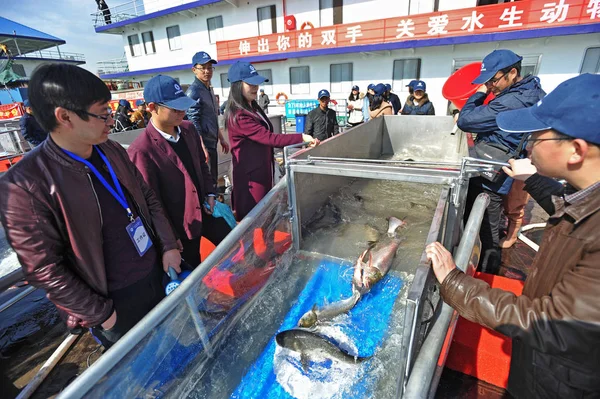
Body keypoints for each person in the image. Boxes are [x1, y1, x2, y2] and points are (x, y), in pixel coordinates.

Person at [426, 73, 600, 399]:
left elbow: (548, 323)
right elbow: (577, 207)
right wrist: (535, 180)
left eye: (538, 136)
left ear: (576, 150)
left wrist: (453, 281)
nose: (530, 143)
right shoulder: (585, 196)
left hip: (558, 383)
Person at [0, 63, 181, 349]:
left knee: (170, 343)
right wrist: (102, 314)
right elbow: (43, 267)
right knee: (139, 367)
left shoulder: (109, 149)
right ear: (65, 117)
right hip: (112, 300)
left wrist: (169, 246)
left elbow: (147, 198)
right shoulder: (24, 185)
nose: (111, 120)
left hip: (155, 271)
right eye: (103, 114)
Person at [128, 75, 232, 267]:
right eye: (175, 108)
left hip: (205, 210)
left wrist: (210, 191)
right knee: (192, 270)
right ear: (152, 108)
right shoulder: (141, 150)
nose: (182, 112)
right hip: (179, 225)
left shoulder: (188, 129)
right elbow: (151, 202)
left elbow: (202, 164)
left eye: (183, 105)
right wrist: (169, 239)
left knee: (232, 242)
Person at [457, 49, 545, 273]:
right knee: (488, 222)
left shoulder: (512, 101)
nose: (490, 86)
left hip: (491, 173)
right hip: (500, 166)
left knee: (487, 226)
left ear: (512, 73)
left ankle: (488, 276)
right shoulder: (527, 92)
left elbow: (466, 121)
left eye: (492, 81)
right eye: (486, 82)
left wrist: (477, 94)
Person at [225, 61, 319, 221]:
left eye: (257, 83)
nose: (255, 87)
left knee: (266, 215)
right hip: (251, 178)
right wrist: (301, 137)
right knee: (254, 220)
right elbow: (269, 138)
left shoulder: (253, 107)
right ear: (237, 85)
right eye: (250, 83)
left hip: (264, 169)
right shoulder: (239, 116)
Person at [186, 51, 230, 183]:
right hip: (204, 144)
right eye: (203, 68)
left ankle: (213, 202)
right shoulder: (193, 91)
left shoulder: (208, 89)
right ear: (194, 70)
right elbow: (194, 122)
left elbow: (213, 116)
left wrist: (221, 138)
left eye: (209, 68)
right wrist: (202, 147)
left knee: (213, 178)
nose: (207, 71)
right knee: (208, 181)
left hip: (212, 142)